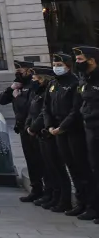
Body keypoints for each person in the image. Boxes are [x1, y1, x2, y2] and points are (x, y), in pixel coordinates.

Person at [45, 52, 91, 218]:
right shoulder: (53, 84)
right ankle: (80, 202)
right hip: (58, 130)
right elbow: (46, 107)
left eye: (60, 65)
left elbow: (76, 109)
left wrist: (62, 127)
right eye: (54, 65)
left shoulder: (74, 83)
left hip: (73, 130)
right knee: (71, 167)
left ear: (68, 66)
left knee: (81, 167)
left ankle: (89, 203)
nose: (56, 68)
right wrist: (50, 125)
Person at [0, 60, 45, 203]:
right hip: (22, 128)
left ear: (29, 71)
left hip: (34, 128)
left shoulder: (33, 86)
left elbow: (28, 107)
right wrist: (10, 89)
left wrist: (17, 97)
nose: (18, 74)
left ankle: (46, 190)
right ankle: (36, 189)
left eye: (20, 71)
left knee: (40, 160)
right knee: (30, 160)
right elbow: (2, 100)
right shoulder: (19, 85)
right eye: (16, 71)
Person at [28, 63, 62, 209]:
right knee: (47, 167)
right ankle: (51, 194)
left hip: (48, 132)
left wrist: (36, 127)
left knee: (54, 167)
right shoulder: (38, 92)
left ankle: (59, 197)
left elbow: (45, 112)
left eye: (35, 78)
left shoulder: (47, 91)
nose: (33, 81)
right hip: (39, 133)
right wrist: (29, 126)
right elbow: (32, 111)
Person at [75, 45, 99, 224]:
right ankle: (94, 207)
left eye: (80, 59)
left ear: (92, 60)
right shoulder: (84, 78)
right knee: (93, 169)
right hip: (89, 129)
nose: (77, 62)